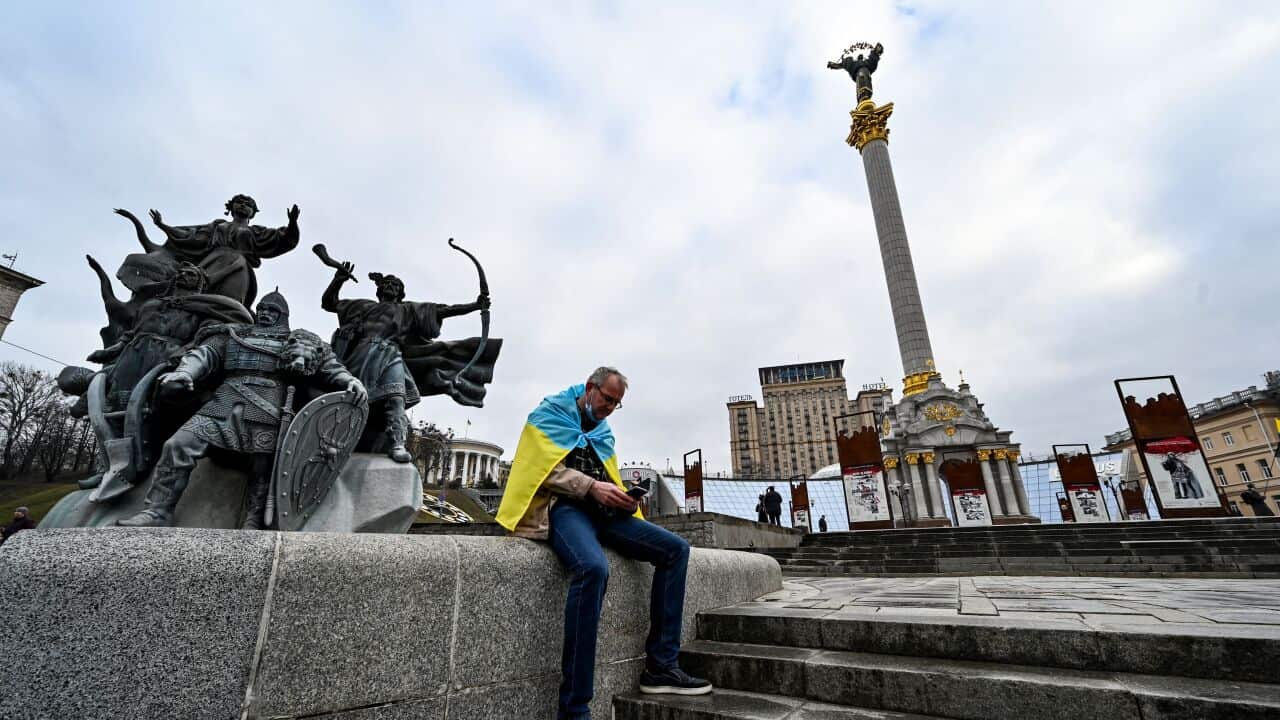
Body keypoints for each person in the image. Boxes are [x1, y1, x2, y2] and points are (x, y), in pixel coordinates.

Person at [495, 367, 711, 719]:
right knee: (593, 568)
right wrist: (591, 487)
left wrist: (625, 499)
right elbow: (538, 470)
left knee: (676, 550)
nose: (610, 408)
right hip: (564, 509)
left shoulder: (603, 431)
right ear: (589, 388)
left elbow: (607, 476)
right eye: (607, 399)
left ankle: (661, 666)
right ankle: (575, 708)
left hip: (606, 514)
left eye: (617, 403)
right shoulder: (547, 415)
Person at [117, 291, 366, 529]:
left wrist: (349, 381)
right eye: (262, 309)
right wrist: (184, 372)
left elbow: (329, 366)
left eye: (272, 310)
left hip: (268, 407)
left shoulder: (298, 340)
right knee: (178, 445)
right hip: (223, 402)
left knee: (263, 469)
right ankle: (157, 511)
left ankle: (253, 519)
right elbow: (203, 355)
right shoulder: (232, 335)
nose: (265, 313)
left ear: (283, 316)